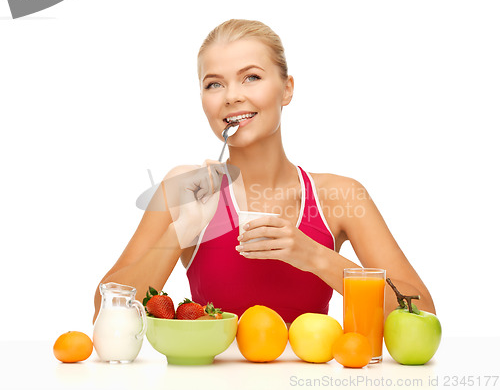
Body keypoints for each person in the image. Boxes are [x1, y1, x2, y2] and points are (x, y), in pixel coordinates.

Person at [93, 19, 436, 324]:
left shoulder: (339, 196)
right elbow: (104, 311)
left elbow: (423, 312)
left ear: (286, 89)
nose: (232, 96)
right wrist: (180, 232)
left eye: (251, 77)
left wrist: (316, 256)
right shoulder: (185, 189)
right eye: (214, 84)